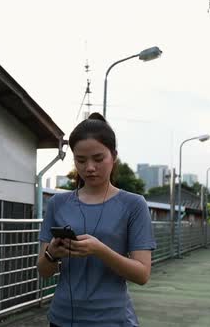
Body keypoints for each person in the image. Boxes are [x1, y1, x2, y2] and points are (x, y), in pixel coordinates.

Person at [37, 112, 156, 327]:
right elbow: (44, 271)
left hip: (112, 319)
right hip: (62, 318)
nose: (89, 167)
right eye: (80, 160)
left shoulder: (134, 204)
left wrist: (100, 250)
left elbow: (142, 274)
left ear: (114, 156)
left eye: (98, 159)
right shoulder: (58, 203)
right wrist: (52, 254)